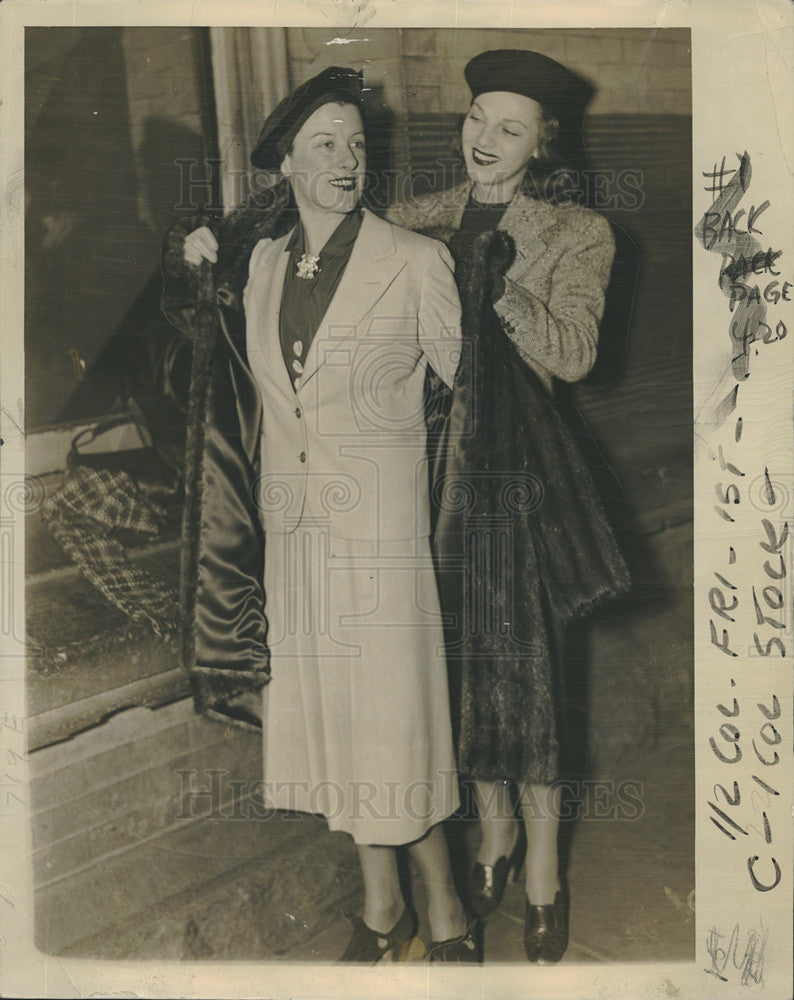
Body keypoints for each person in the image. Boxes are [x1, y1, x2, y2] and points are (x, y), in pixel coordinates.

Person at [166, 66, 480, 963]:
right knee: (340, 729)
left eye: (356, 142)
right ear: (288, 166)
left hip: (384, 547)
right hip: (294, 537)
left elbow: (479, 405)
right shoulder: (259, 264)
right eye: (325, 145)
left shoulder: (418, 262)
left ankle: (448, 910)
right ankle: (384, 912)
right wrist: (188, 262)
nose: (348, 160)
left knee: (396, 726)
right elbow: (213, 372)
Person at [386, 49, 631, 963]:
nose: (483, 140)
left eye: (509, 128)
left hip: (516, 482)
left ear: (543, 142)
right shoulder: (417, 218)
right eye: (476, 117)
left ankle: (543, 876)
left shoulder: (577, 229)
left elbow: (573, 355)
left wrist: (500, 282)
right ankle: (493, 837)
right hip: (424, 477)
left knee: (523, 679)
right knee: (454, 672)